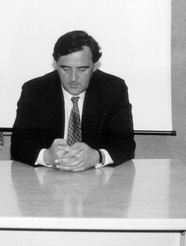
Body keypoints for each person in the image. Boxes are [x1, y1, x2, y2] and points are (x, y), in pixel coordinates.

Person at [11, 30, 135, 171]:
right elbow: (18, 144)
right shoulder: (35, 90)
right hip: (48, 179)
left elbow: (126, 144)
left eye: (82, 69)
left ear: (94, 66)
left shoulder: (113, 89)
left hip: (97, 180)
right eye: (66, 69)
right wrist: (47, 156)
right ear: (56, 65)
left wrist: (96, 157)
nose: (73, 78)